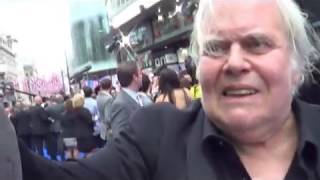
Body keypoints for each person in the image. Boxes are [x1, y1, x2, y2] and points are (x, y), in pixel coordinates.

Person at [18, 0, 320, 179]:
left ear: (297, 65)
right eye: (216, 47)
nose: (235, 63)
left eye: (257, 44)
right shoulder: (156, 136)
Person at [108, 61, 143, 138]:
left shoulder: (139, 97)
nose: (142, 76)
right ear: (135, 77)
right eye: (140, 73)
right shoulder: (120, 104)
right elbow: (120, 138)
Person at [96, 78, 113, 143]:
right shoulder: (109, 98)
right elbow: (108, 118)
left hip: (102, 128)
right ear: (110, 85)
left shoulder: (98, 97)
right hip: (109, 130)